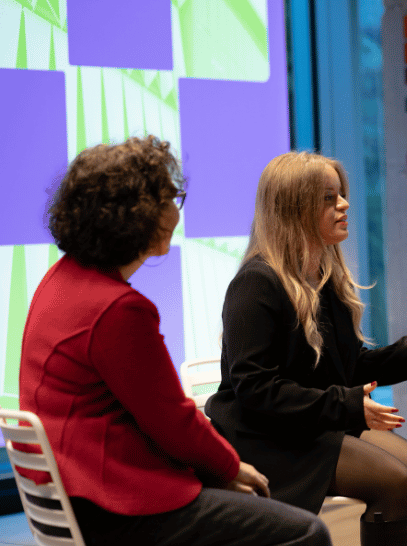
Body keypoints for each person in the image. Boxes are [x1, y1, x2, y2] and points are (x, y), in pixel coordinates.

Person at [19, 136, 331, 546]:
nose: (175, 212)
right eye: (168, 200)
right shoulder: (118, 309)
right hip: (114, 504)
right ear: (134, 215)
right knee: (306, 531)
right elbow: (172, 421)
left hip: (72, 494)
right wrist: (231, 466)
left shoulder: (58, 281)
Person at [205, 151, 407, 546]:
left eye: (341, 194)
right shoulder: (256, 284)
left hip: (312, 422)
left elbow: (353, 369)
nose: (344, 205)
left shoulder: (324, 278)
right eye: (328, 198)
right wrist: (348, 405)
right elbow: (257, 390)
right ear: (294, 208)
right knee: (393, 482)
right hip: (266, 435)